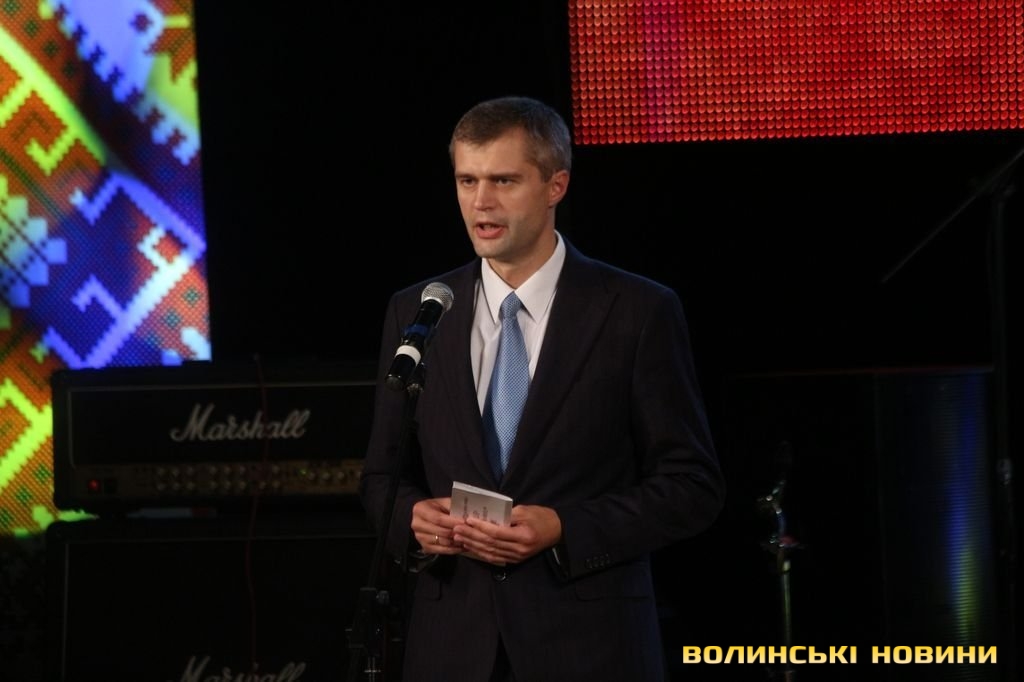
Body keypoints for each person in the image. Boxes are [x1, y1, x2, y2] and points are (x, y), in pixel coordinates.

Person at [358, 95, 725, 681]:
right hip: (452, 649)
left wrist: (564, 528)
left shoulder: (636, 311)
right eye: (467, 180)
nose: (481, 202)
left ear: (556, 185)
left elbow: (692, 486)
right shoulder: (419, 310)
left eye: (504, 181)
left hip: (591, 649)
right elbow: (381, 477)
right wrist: (413, 519)